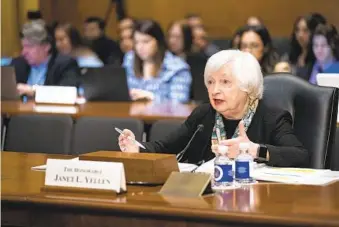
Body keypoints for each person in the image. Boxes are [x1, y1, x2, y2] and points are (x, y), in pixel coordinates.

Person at [118, 50, 309, 167]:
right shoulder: (204, 114)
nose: (215, 90)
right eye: (210, 82)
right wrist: (137, 148)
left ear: (247, 86)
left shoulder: (270, 118)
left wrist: (255, 151)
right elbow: (165, 147)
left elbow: (300, 155)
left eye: (225, 82)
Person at [123, 20, 192, 103]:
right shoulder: (130, 59)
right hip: (129, 114)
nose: (140, 47)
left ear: (158, 42)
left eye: (146, 41)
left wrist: (151, 97)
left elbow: (179, 104)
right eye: (136, 42)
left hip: (162, 115)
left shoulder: (177, 67)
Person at [11, 20, 80, 97]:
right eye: (23, 47)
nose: (24, 52)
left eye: (29, 46)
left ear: (47, 46)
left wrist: (34, 91)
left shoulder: (65, 64)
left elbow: (68, 93)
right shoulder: (17, 64)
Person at [288, 13, 327, 77]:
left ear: (313, 32)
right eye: (297, 30)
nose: (300, 35)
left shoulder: (319, 57)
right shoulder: (292, 55)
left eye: (305, 30)